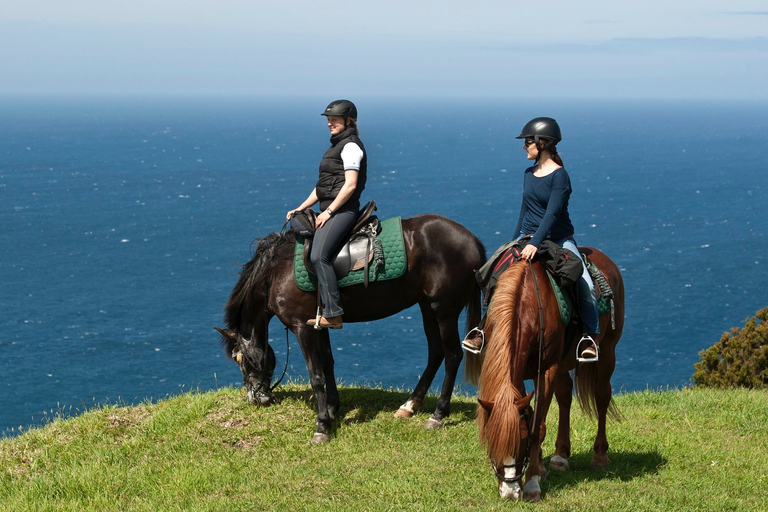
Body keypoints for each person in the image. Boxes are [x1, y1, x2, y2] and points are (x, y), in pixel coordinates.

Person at [464, 117, 600, 360]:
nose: (524, 147)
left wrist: (535, 243)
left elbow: (552, 214)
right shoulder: (528, 173)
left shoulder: (560, 176)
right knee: (494, 275)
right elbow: (525, 210)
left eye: (528, 142)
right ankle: (483, 330)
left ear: (543, 142)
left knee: (586, 285)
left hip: (558, 239)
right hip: (526, 238)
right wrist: (513, 242)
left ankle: (590, 338)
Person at [285, 99, 367, 330]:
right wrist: (300, 207)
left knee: (318, 256)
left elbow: (350, 185)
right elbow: (322, 187)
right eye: (328, 120)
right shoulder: (335, 147)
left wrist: (329, 212)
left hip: (343, 210)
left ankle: (333, 313)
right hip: (331, 208)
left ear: (348, 121)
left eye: (334, 119)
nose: (330, 123)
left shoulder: (351, 146)